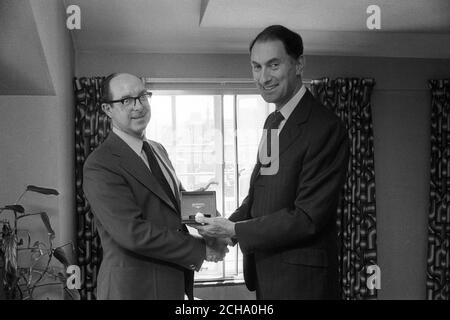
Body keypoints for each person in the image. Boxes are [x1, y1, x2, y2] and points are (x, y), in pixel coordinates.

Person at [193, 25, 349, 299]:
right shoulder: (273, 121)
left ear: (299, 64)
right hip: (268, 273)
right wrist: (226, 229)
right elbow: (258, 194)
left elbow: (307, 218)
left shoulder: (325, 127)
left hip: (303, 283)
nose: (263, 77)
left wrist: (235, 229)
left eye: (273, 65)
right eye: (256, 67)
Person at [83, 73, 227, 300]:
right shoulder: (100, 163)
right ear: (107, 109)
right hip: (132, 289)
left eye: (142, 96)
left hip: (171, 281)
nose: (138, 106)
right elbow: (133, 233)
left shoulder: (157, 149)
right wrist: (202, 249)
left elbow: (178, 202)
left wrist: (220, 228)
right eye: (126, 101)